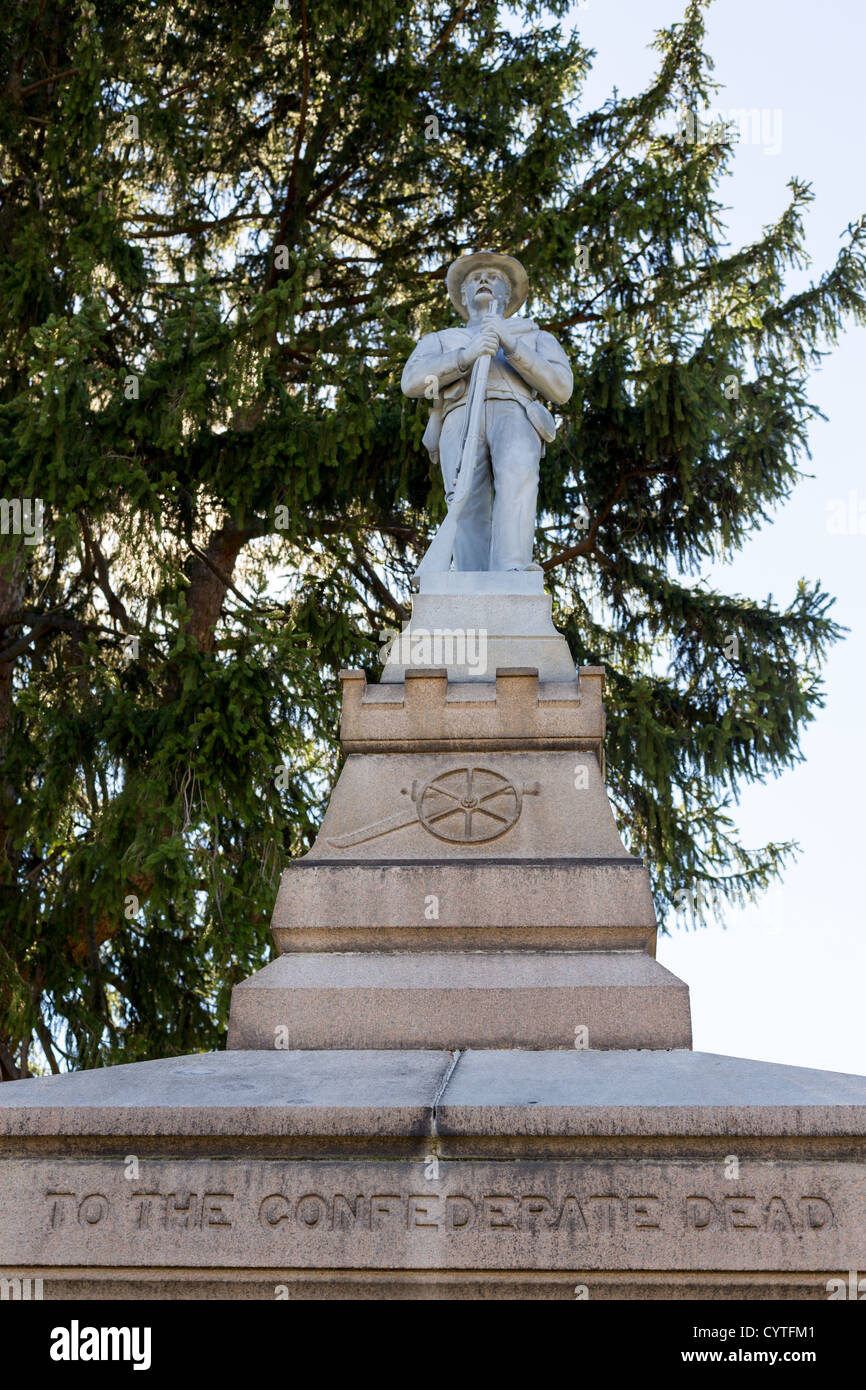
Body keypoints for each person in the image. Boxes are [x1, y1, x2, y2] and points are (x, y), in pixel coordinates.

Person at [401, 252, 573, 571]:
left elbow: (561, 387)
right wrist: (464, 355)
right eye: (474, 279)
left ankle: (512, 570)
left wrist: (511, 345)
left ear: (507, 296)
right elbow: (412, 381)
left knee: (517, 479)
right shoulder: (441, 340)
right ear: (463, 296)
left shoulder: (534, 336)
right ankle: (471, 578)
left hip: (516, 413)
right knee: (464, 502)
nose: (483, 280)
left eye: (494, 278)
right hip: (459, 416)